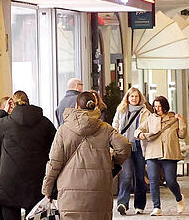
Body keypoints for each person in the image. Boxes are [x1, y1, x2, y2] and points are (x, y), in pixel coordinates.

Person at [42, 91, 130, 220]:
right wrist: (114, 162)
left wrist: (47, 189)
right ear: (94, 106)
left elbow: (54, 162)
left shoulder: (63, 130)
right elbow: (124, 145)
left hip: (70, 191)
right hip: (99, 187)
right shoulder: (105, 128)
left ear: (77, 106)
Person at [0, 91, 56, 220]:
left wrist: (3, 111)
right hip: (36, 182)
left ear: (12, 103)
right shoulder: (45, 123)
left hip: (10, 183)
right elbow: (56, 145)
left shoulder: (7, 123)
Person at [138, 96, 187, 215]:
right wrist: (140, 134)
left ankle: (179, 198)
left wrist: (182, 121)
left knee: (170, 181)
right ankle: (157, 207)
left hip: (169, 154)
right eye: (155, 107)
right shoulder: (150, 119)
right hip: (152, 153)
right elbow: (138, 129)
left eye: (159, 106)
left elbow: (182, 135)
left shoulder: (173, 118)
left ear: (165, 106)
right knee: (153, 180)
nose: (157, 109)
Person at [112, 87, 153, 215]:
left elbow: (148, 128)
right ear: (127, 98)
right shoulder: (121, 111)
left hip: (139, 147)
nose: (134, 98)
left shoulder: (145, 112)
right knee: (127, 175)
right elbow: (115, 127)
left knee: (139, 176)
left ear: (140, 98)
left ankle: (139, 205)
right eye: (131, 96)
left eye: (136, 96)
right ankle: (122, 203)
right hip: (125, 148)